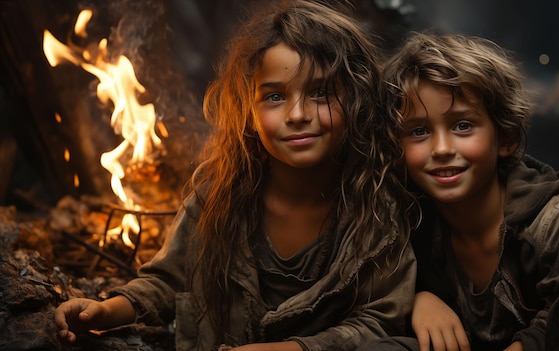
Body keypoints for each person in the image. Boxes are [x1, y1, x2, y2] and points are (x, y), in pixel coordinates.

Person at [53, 1, 417, 350]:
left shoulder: (374, 204)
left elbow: (380, 321)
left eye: (320, 92)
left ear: (355, 99)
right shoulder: (220, 194)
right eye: (274, 97)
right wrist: (102, 311)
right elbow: (170, 280)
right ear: (248, 110)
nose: (297, 114)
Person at [357, 31, 559, 351]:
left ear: (507, 138)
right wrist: (416, 298)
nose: (441, 148)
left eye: (462, 125)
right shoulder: (408, 221)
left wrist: (529, 342)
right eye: (419, 131)